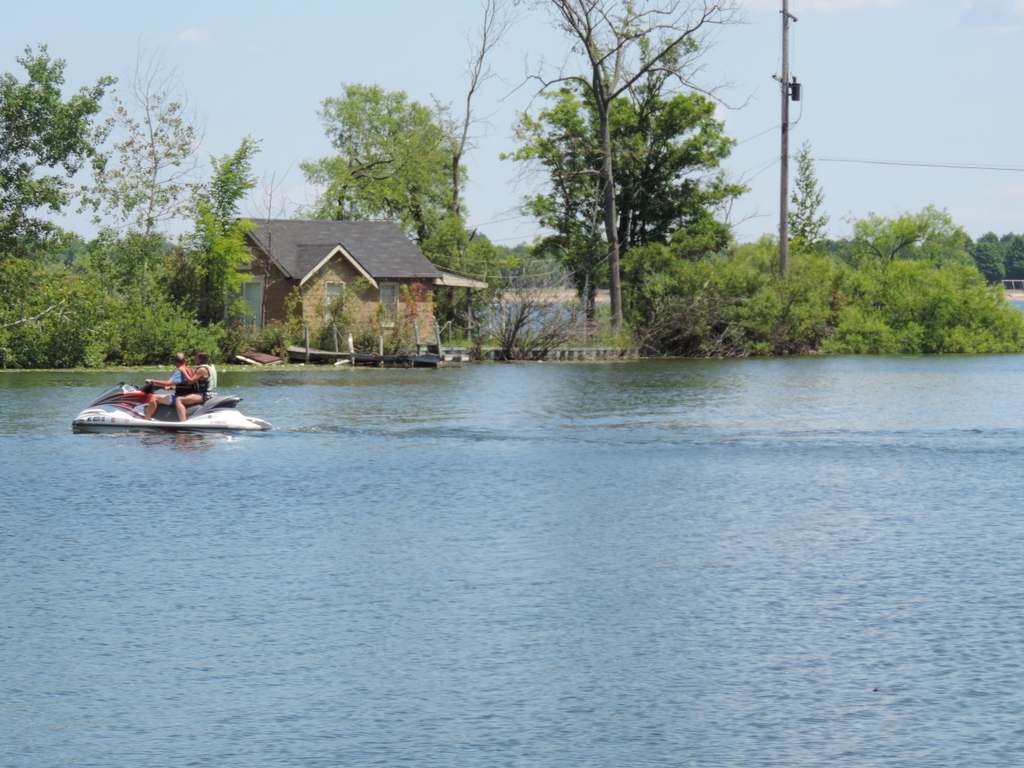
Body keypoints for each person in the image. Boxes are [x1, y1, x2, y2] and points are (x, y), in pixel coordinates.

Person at [142, 352, 195, 421]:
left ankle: (146, 419)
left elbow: (167, 383)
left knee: (154, 397)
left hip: (180, 397)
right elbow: (186, 386)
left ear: (175, 363)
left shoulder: (180, 371)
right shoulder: (191, 370)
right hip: (188, 396)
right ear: (185, 361)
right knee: (164, 394)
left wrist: (152, 381)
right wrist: (172, 388)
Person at [172, 351, 218, 422]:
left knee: (178, 400)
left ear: (201, 359)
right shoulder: (210, 367)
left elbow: (191, 381)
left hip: (205, 395)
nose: (194, 359)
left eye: (196, 357)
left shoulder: (201, 369)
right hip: (212, 394)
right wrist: (173, 388)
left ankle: (183, 422)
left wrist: (183, 370)